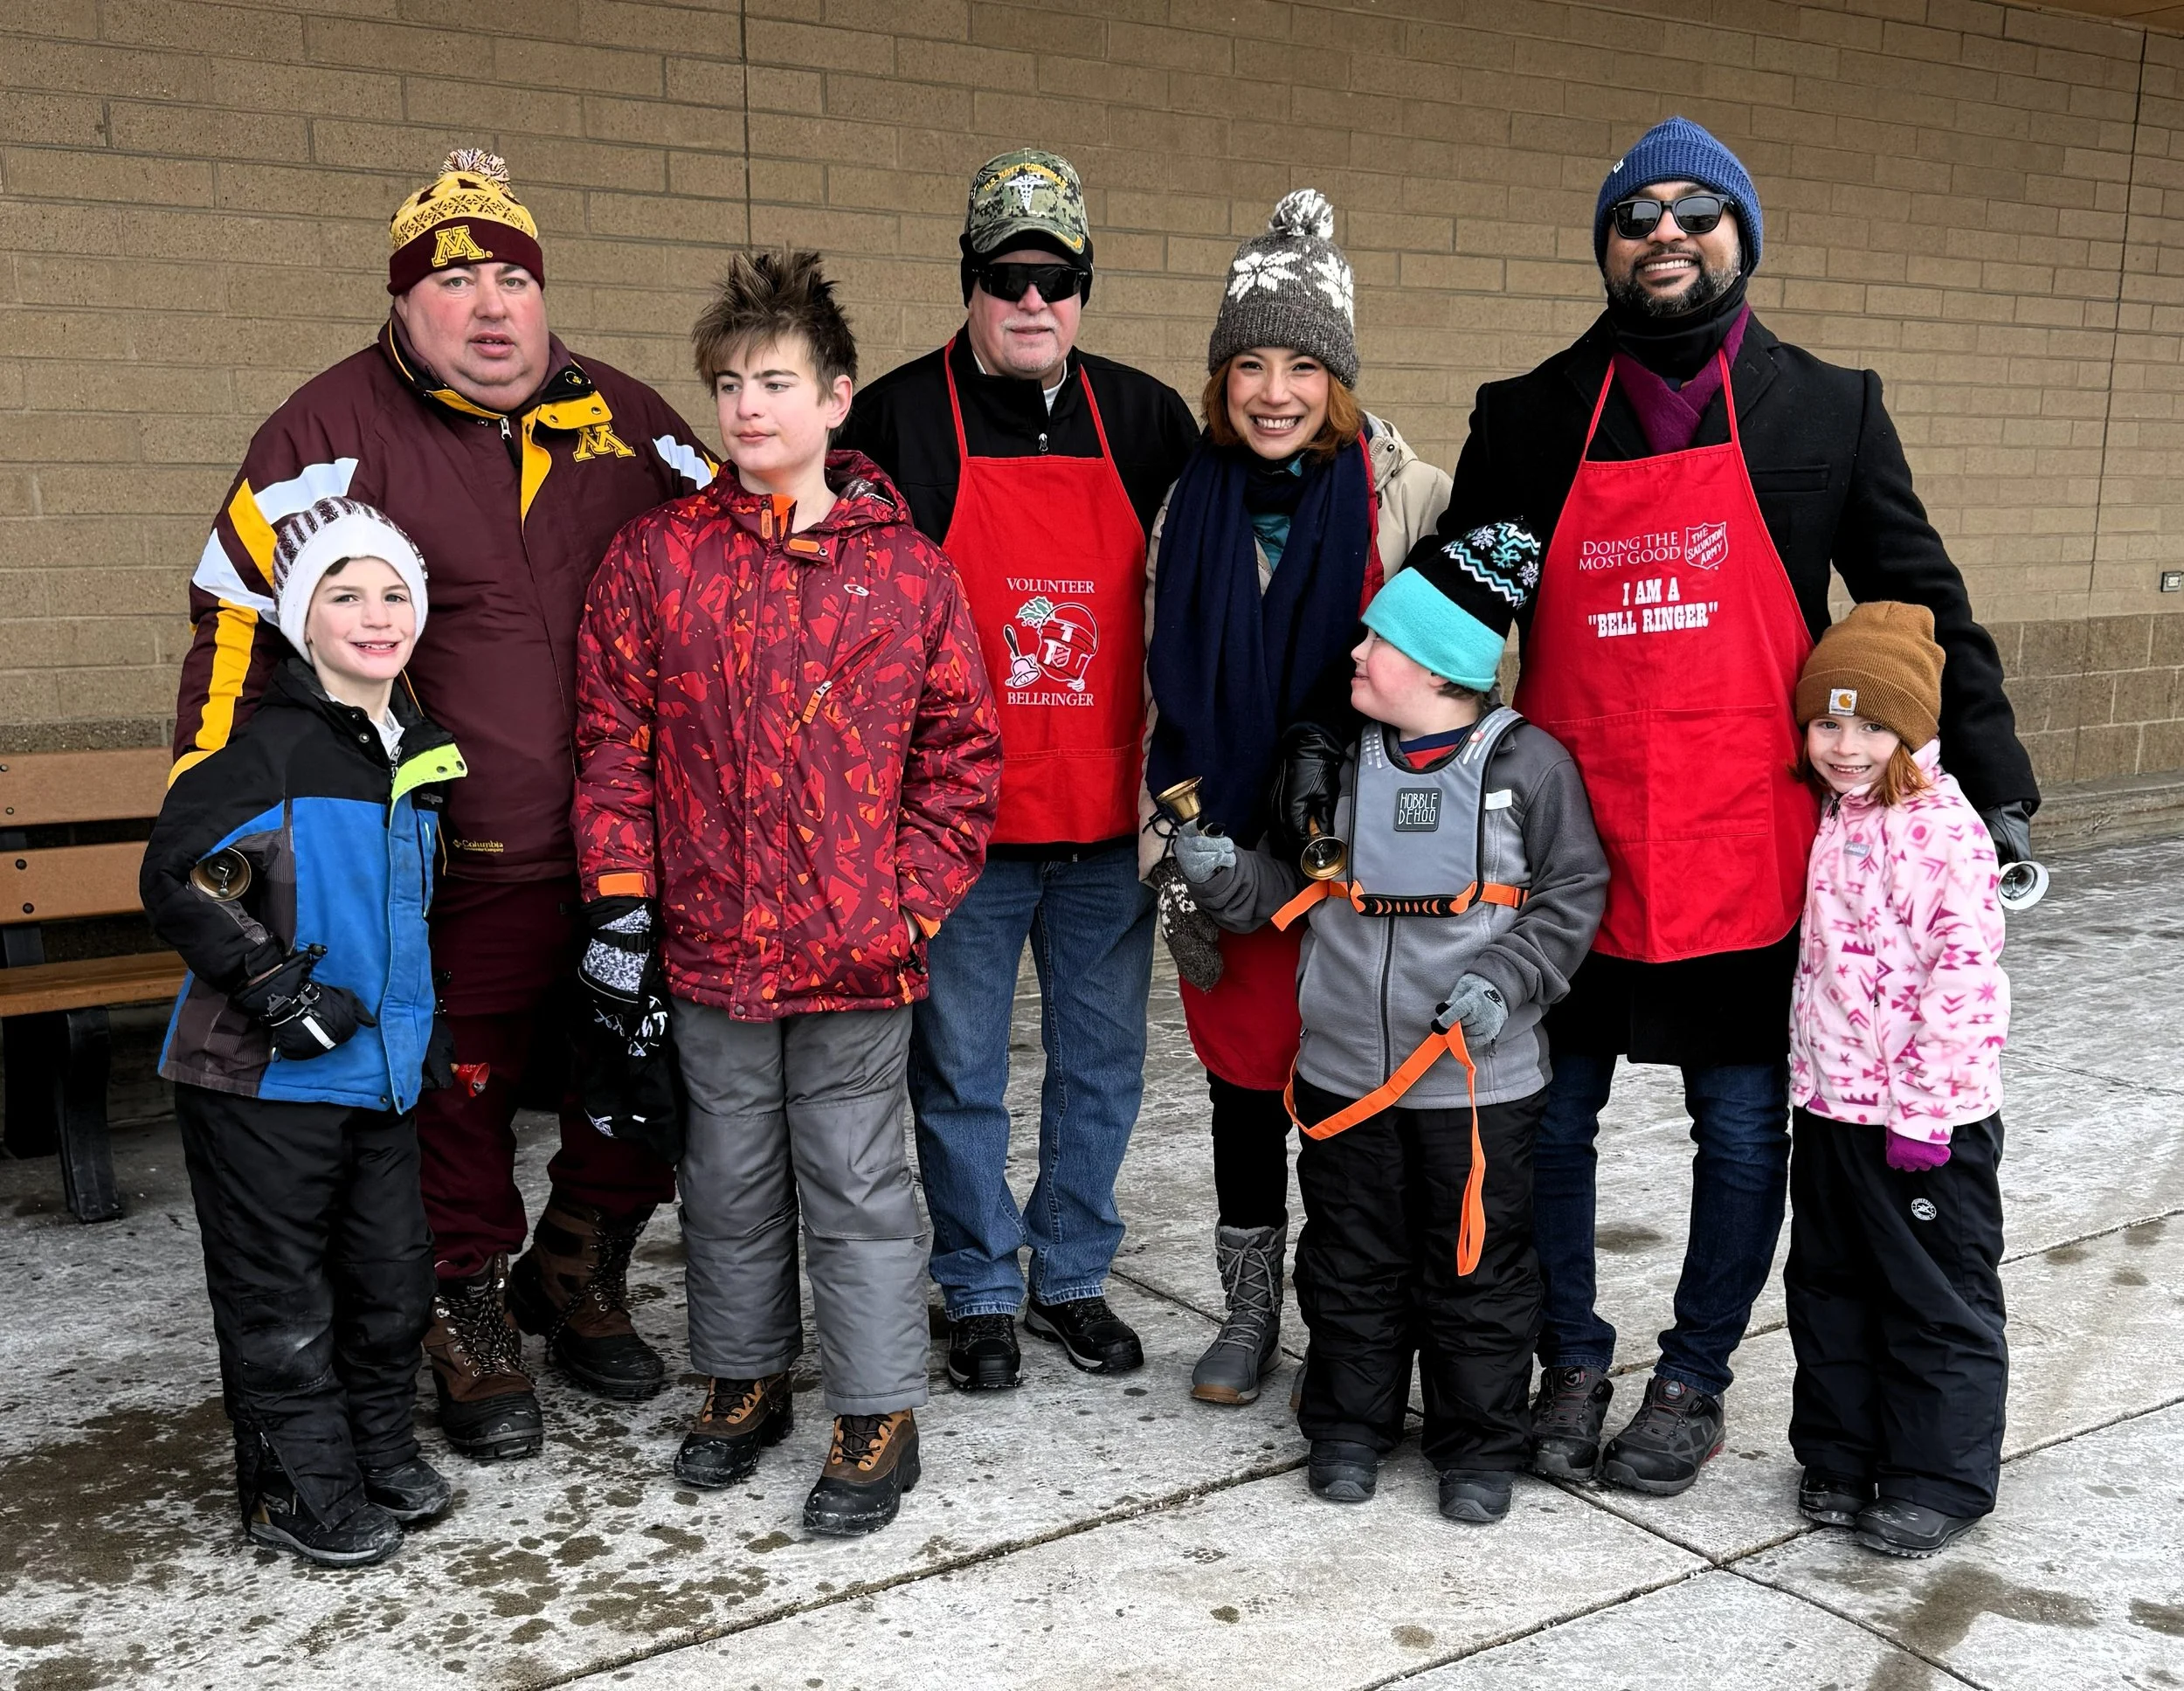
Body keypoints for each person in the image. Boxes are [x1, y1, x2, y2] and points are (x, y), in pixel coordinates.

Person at [1410, 115, 2039, 1495]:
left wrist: (1991, 785)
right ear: (1609, 248)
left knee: (1744, 1129)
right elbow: (1450, 618)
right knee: (1551, 1120)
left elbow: (1917, 604)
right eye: (1639, 215)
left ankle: (1693, 1376)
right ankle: (1570, 1359)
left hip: (1752, 843)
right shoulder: (1527, 415)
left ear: (1741, 236)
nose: (1668, 233)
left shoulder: (1826, 406)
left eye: (1699, 211)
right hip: (1566, 852)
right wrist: (1349, 758)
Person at [169, 150, 721, 1463]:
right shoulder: (324, 434)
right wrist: (215, 822)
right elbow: (235, 627)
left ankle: (577, 1269)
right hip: (439, 865)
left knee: (646, 1071)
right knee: (451, 1098)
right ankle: (463, 1301)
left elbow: (763, 530)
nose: (490, 306)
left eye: (514, 278)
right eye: (456, 281)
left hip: (628, 849)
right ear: (403, 305)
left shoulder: (631, 423)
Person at [574, 251, 1002, 1536]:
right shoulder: (658, 559)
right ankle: (745, 1379)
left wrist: (909, 905)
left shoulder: (906, 575)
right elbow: (613, 740)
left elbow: (963, 757)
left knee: (861, 1185)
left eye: (774, 381)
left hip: (855, 955)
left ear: (836, 399)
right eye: (727, 384)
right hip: (709, 950)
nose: (747, 406)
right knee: (730, 1180)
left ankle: (876, 1411)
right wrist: (621, 905)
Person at [839, 150, 1199, 1390]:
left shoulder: (1150, 420)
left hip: (1105, 818)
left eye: (1060, 279)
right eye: (1009, 278)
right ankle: (983, 1287)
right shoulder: (891, 419)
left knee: (1103, 1066)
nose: (1035, 303)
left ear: (1085, 289)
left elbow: (1206, 597)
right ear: (971, 283)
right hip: (957, 831)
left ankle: (1074, 1274)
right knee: (963, 1072)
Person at [1171, 527, 1607, 1523]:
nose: (1355, 655)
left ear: (1444, 663)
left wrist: (1507, 976)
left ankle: (1477, 1445)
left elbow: (1571, 894)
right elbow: (1301, 885)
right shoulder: (1341, 768)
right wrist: (1229, 877)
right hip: (1343, 1078)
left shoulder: (1528, 767)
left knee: (1477, 1266)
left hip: (1472, 1083)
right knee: (1350, 1255)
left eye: (1378, 641)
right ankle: (1348, 1427)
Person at [1140, 189, 1451, 1407]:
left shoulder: (1408, 499)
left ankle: (1351, 1322)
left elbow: (1456, 689)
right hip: (1218, 850)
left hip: (1359, 862)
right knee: (1238, 1089)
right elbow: (1148, 682)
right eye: (1250, 363)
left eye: (1304, 364)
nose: (1274, 391)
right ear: (1220, 379)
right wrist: (1170, 836)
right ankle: (1249, 1310)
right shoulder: (1183, 503)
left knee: (1349, 1098)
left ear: (1340, 379)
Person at [142, 498, 467, 1566]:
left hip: (376, 1077)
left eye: (392, 595)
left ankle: (374, 1450)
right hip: (261, 1080)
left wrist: (423, 1037)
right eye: (344, 594)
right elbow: (183, 873)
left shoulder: (415, 751)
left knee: (389, 1279)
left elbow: (409, 913)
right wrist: (274, 984)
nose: (374, 616)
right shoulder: (267, 748)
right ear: (298, 615)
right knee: (281, 1294)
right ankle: (293, 1488)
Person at [1785, 603, 2010, 1559]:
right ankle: (1841, 1449)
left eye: (1871, 725)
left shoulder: (1943, 831)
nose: (1845, 745)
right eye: (1827, 722)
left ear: (1914, 730)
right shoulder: (1838, 815)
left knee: (1933, 1295)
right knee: (1828, 1283)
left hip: (1925, 1123)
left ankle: (1936, 1475)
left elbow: (1965, 978)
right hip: (1833, 1105)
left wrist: (1925, 1113)